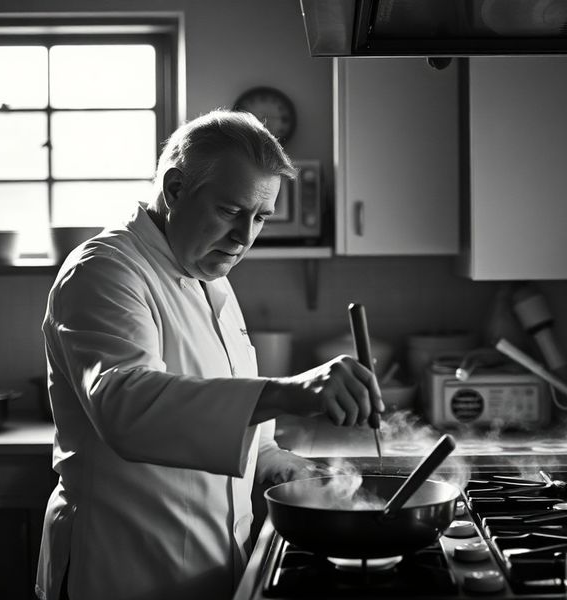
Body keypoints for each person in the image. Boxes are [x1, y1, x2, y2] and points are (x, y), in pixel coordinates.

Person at [34, 110, 383, 600]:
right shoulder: (105, 271)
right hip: (122, 571)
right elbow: (126, 406)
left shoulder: (209, 276)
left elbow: (242, 434)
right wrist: (291, 391)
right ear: (175, 189)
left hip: (214, 566)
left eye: (259, 217)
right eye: (230, 210)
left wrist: (287, 470)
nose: (244, 238)